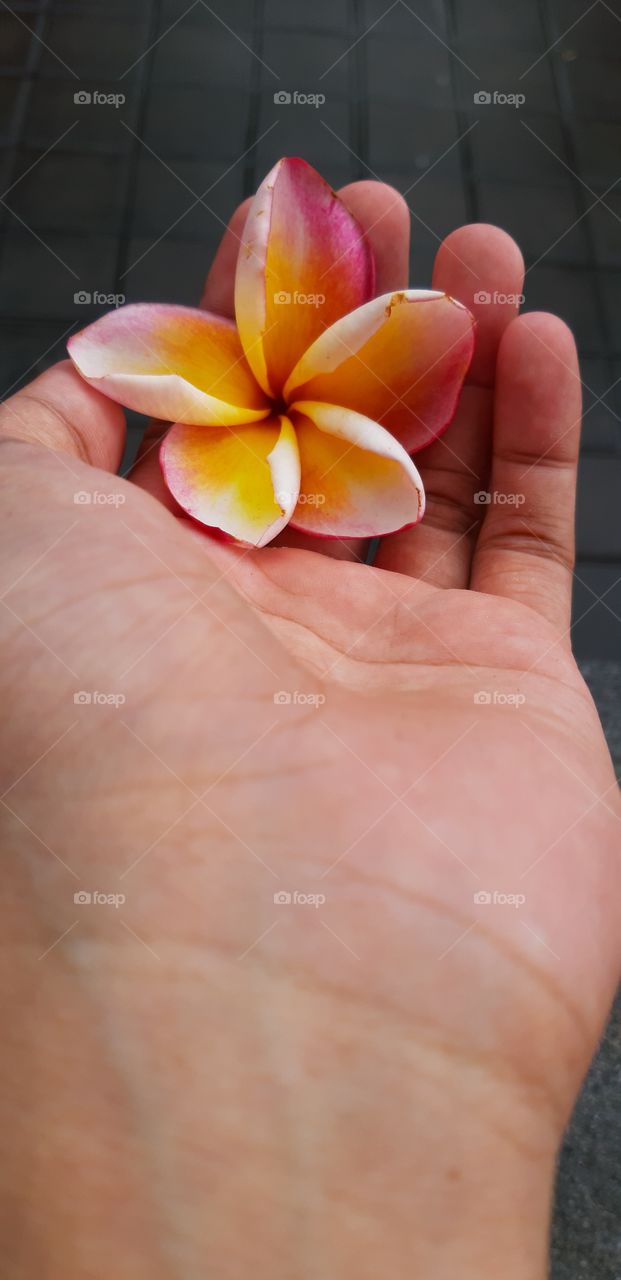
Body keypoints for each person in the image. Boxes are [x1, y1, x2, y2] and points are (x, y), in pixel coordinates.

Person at [0, 181, 618, 1278]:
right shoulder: (204, 395)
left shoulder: (362, 440)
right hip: (255, 447)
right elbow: (126, 364)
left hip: (297, 436)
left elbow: (387, 473)